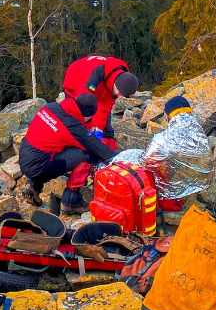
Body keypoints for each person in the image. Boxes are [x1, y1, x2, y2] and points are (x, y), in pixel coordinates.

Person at [59, 55, 141, 212]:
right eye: (120, 93)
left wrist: (99, 129)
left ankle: (108, 180)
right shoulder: (92, 77)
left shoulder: (120, 77)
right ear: (115, 84)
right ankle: (70, 197)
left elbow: (105, 106)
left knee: (107, 136)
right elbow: (85, 104)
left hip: (99, 90)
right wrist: (91, 133)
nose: (120, 97)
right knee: (85, 143)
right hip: (77, 88)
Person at [17, 93, 117, 210]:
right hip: (39, 168)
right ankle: (71, 200)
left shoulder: (51, 107)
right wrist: (122, 159)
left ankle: (32, 186)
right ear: (87, 116)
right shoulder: (72, 126)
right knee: (89, 155)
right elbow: (98, 149)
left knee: (52, 145)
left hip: (24, 156)